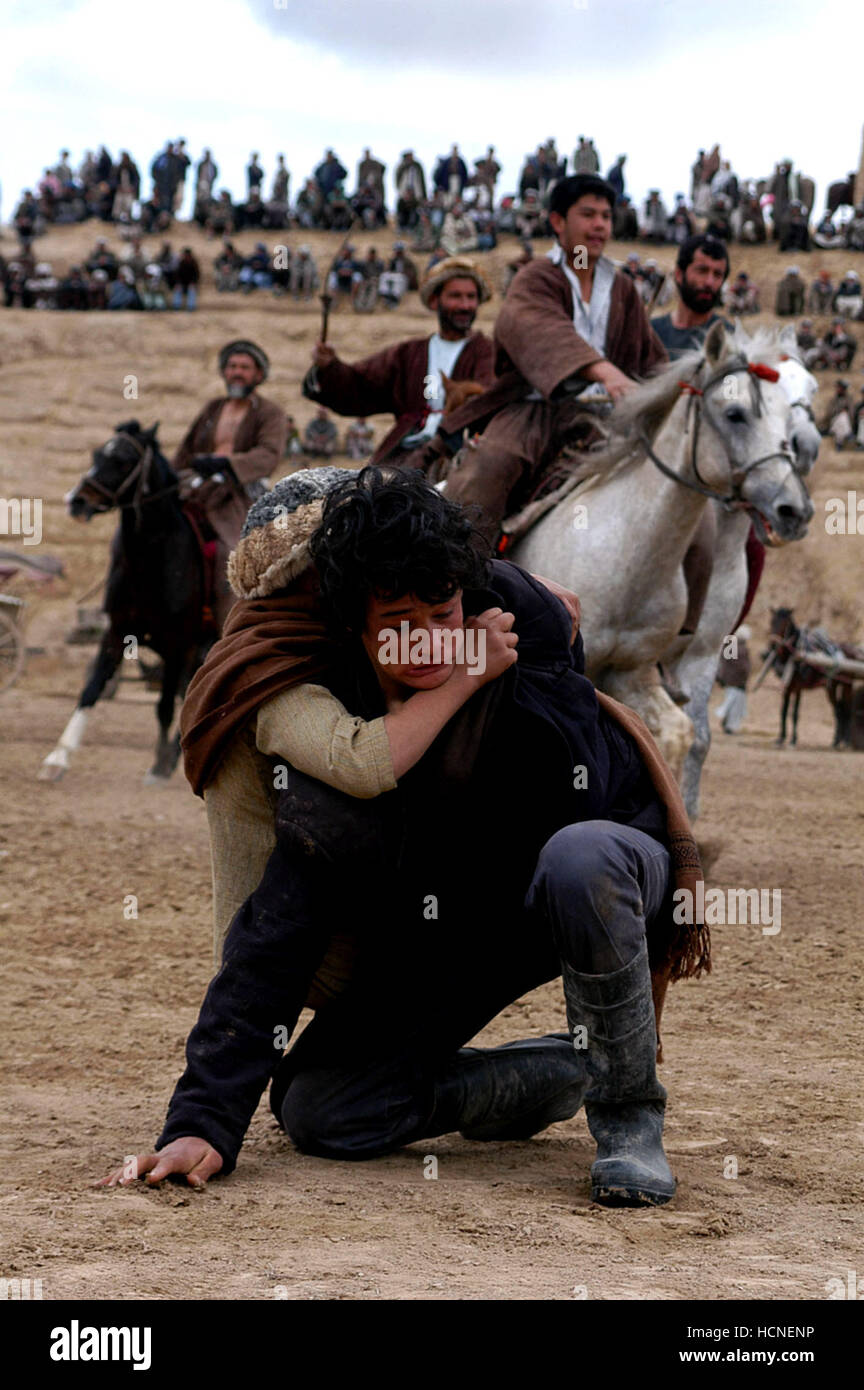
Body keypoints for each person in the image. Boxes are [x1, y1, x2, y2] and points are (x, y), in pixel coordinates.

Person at [101, 466, 707, 1205]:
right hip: (457, 927)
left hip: (597, 876)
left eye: (443, 616)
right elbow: (273, 940)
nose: (428, 644)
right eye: (398, 627)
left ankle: (629, 1121)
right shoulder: (343, 750)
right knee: (320, 1108)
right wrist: (200, 1122)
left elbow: (581, 801)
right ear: (353, 627)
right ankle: (556, 1073)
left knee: (580, 857)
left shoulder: (523, 649)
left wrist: (522, 615)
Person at [431, 174, 666, 545]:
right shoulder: (536, 277)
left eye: (606, 216)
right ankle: (463, 577)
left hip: (608, 417)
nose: (600, 225)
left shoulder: (622, 288)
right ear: (558, 222)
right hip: (534, 412)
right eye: (588, 214)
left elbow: (650, 358)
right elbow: (536, 327)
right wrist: (601, 369)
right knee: (489, 469)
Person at [302, 256, 494, 465]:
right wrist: (329, 366)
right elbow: (361, 384)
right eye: (455, 296)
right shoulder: (408, 354)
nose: (465, 305)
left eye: (471, 297)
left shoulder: (488, 352)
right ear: (434, 301)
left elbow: (489, 402)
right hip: (406, 451)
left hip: (462, 452)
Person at [172, 341, 287, 625]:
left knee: (233, 552)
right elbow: (185, 452)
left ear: (259, 375)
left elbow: (269, 454)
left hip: (239, 493)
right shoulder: (213, 408)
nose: (237, 373)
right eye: (232, 366)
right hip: (196, 488)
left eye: (244, 368)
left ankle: (230, 629)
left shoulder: (270, 413)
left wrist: (229, 464)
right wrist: (181, 472)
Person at [715, 626, 751, 733]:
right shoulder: (738, 647)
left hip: (730, 681)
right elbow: (742, 666)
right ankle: (730, 726)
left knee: (732, 703)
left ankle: (729, 724)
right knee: (734, 705)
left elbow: (724, 661)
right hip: (736, 681)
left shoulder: (730, 644)